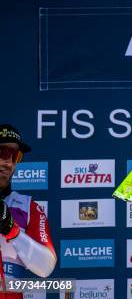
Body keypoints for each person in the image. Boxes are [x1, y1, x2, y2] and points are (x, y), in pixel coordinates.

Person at [0, 124, 56, 298]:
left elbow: (46, 267)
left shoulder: (28, 207)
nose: (8, 162)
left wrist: (12, 230)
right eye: (2, 152)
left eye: (15, 155)